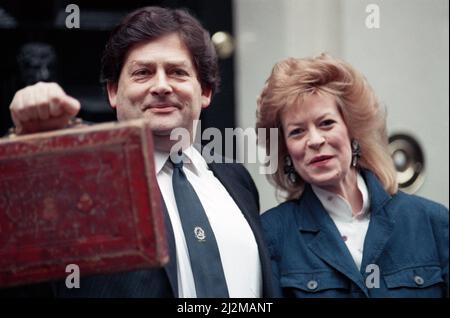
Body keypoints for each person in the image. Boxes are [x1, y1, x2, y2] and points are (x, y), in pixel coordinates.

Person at [6, 6, 274, 298]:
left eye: (177, 72)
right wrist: (30, 152)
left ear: (205, 91)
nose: (161, 86)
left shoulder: (237, 180)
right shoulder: (75, 185)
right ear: (112, 92)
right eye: (143, 73)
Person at [255, 54, 449, 298]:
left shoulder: (433, 223)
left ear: (352, 132)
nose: (315, 140)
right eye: (297, 131)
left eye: (326, 123)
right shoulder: (273, 235)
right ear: (285, 150)